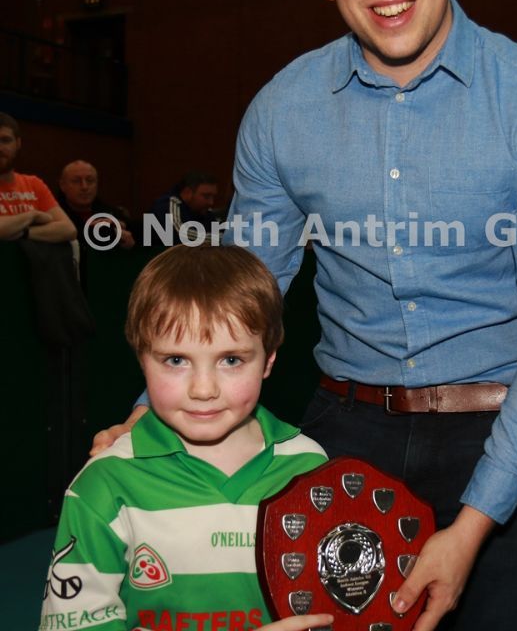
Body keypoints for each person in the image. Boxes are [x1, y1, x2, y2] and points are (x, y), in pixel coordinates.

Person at [95, 0, 517, 629]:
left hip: (499, 434)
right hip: (342, 431)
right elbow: (238, 289)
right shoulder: (281, 111)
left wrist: (475, 522)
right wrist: (143, 414)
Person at [41, 244, 331, 631]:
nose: (203, 389)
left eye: (231, 360)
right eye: (176, 360)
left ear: (269, 360)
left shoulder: (312, 469)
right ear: (141, 359)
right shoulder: (104, 484)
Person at [0, 112, 76, 243]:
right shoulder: (32, 213)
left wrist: (24, 232)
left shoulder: (34, 184)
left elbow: (69, 229)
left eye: (6, 140)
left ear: (18, 143)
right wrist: (32, 215)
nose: (0, 148)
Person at [58, 159, 135, 250]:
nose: (84, 187)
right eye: (76, 181)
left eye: (90, 181)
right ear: (62, 185)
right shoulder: (55, 217)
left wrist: (128, 243)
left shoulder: (113, 214)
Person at [149, 170, 219, 245]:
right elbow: (182, 236)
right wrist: (220, 239)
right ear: (188, 192)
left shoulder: (204, 210)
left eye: (213, 196)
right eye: (206, 196)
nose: (211, 202)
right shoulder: (166, 205)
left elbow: (217, 232)